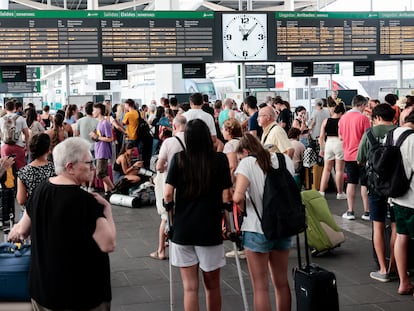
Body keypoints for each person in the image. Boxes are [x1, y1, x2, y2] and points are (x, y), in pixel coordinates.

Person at [8, 137, 116, 311]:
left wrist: (14, 233)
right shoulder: (87, 202)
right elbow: (108, 244)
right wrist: (108, 211)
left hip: (44, 291)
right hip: (82, 295)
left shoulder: (40, 190)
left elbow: (22, 229)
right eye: (89, 163)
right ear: (70, 167)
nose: (93, 168)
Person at [163, 119, 232, 311]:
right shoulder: (219, 159)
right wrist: (229, 226)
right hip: (209, 229)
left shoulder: (179, 159)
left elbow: (168, 193)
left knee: (190, 288)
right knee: (212, 286)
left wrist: (170, 218)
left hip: (183, 230)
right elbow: (227, 195)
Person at [233, 133, 294, 311]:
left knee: (260, 287)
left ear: (244, 151)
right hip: (283, 226)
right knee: (282, 283)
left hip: (256, 229)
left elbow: (237, 198)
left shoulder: (247, 163)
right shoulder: (283, 160)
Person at [357, 103, 397, 283]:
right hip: (397, 186)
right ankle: (395, 266)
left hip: (376, 186)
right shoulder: (401, 132)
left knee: (378, 226)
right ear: (393, 117)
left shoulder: (369, 134)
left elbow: (360, 159)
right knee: (397, 227)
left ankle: (382, 269)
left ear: (377, 118)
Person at [151, 115, 187, 261]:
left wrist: (167, 166)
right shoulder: (193, 140)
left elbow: (159, 167)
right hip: (188, 183)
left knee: (166, 216)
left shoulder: (169, 142)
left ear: (175, 126)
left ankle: (161, 250)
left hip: (170, 182)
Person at [390, 110, 414, 295]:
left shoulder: (391, 134)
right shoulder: (413, 139)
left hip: (396, 196)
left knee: (401, 236)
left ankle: (403, 282)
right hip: (412, 198)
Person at [338, 95, 371, 220]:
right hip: (362, 155)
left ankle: (350, 211)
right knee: (364, 183)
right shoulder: (363, 118)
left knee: (351, 182)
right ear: (362, 105)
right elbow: (368, 137)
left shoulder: (343, 118)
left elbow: (340, 137)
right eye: (365, 106)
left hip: (348, 154)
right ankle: (367, 212)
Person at [16, 133, 55, 212]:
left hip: (33, 212)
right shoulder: (55, 169)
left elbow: (21, 200)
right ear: (48, 150)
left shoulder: (24, 172)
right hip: (52, 211)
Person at [318, 102, 347, 199]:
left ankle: (321, 192)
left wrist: (322, 148)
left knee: (326, 169)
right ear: (342, 113)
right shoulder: (342, 121)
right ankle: (340, 193)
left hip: (328, 143)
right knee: (339, 170)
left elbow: (321, 136)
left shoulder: (326, 121)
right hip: (339, 143)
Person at [89, 103, 115, 199]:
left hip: (103, 151)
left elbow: (110, 138)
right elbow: (100, 137)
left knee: (100, 173)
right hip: (99, 150)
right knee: (104, 173)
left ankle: (113, 188)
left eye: (94, 110)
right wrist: (95, 137)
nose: (92, 112)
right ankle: (107, 191)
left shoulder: (105, 123)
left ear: (99, 110)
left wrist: (97, 137)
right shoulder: (99, 123)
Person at [0, 100, 30, 169]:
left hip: (5, 147)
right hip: (18, 146)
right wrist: (27, 147)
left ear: (5, 108)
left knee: (6, 169)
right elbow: (27, 134)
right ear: (14, 108)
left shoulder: (1, 119)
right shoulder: (21, 118)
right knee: (20, 169)